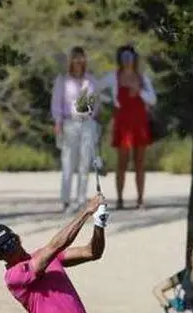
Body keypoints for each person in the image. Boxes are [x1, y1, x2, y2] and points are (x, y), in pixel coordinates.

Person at [50, 46, 110, 213]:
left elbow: (96, 100)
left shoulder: (90, 80)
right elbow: (56, 103)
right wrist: (58, 122)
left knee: (85, 163)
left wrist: (95, 114)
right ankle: (65, 199)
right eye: (75, 58)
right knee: (68, 163)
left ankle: (81, 199)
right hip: (70, 123)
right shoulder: (63, 80)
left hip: (88, 123)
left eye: (81, 58)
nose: (78, 62)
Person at [103, 45, 156, 210]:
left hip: (139, 123)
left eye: (130, 56)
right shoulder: (114, 77)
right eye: (124, 56)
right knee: (122, 163)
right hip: (123, 122)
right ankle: (119, 199)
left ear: (134, 59)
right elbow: (97, 88)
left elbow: (152, 99)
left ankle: (140, 199)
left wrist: (139, 91)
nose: (127, 60)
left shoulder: (142, 78)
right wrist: (110, 101)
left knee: (140, 163)